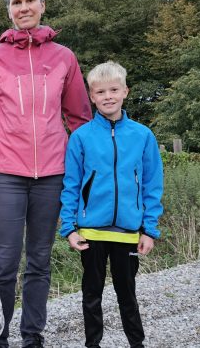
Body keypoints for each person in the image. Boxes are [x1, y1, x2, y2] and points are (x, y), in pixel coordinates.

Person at [0, 0, 92, 348]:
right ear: (9, 10)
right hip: (6, 173)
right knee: (4, 264)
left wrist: (82, 172)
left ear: (42, 5)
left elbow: (80, 118)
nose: (23, 8)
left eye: (29, 1)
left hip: (53, 174)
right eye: (16, 3)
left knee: (39, 261)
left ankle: (32, 335)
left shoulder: (64, 58)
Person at [59, 60, 164, 348]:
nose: (108, 96)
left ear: (125, 91)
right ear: (92, 96)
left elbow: (153, 185)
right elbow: (71, 185)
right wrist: (69, 228)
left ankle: (137, 343)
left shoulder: (143, 135)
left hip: (129, 232)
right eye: (101, 92)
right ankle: (92, 344)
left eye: (114, 90)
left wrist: (149, 230)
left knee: (127, 293)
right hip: (91, 232)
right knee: (91, 294)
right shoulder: (80, 137)